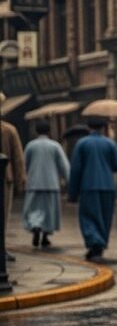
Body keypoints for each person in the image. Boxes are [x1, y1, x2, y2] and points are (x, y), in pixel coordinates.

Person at [67, 118, 117, 260]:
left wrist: (72, 193)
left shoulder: (82, 143)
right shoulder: (110, 143)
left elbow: (76, 169)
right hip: (108, 186)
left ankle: (95, 243)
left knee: (89, 217)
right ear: (103, 128)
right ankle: (99, 245)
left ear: (89, 127)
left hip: (88, 186)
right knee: (105, 218)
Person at [23, 121, 68, 250]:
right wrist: (69, 180)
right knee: (49, 211)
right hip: (51, 183)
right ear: (49, 131)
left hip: (34, 183)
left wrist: (23, 179)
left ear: (36, 131)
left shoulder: (30, 145)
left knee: (34, 208)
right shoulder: (55, 146)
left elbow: (24, 163)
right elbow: (64, 165)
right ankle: (45, 236)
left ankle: (36, 226)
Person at [1, 107, 27, 261]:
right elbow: (18, 158)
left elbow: (18, 157)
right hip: (5, 178)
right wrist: (20, 181)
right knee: (3, 214)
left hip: (5, 177)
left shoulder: (9, 130)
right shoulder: (9, 130)